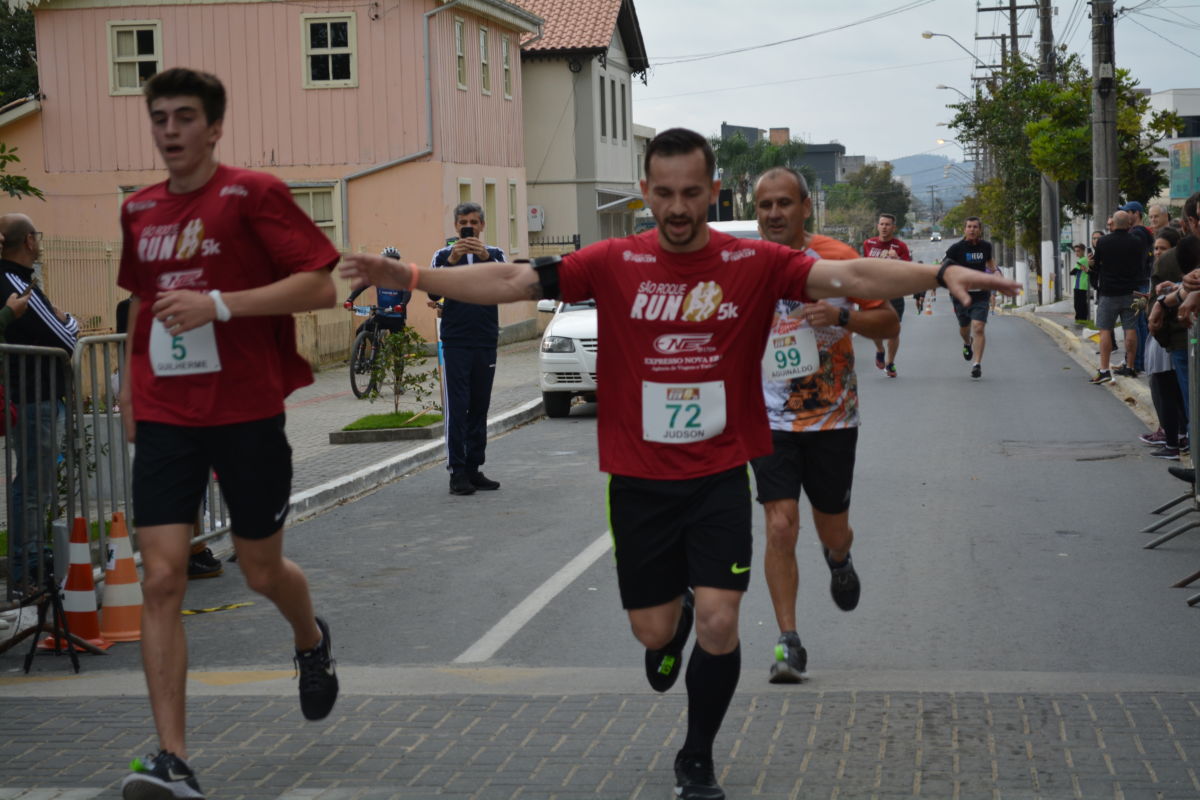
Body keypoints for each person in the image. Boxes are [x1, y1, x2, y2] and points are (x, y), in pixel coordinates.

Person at [341, 127, 1018, 800]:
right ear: (645, 192)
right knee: (654, 631)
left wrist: (937, 271)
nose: (677, 207)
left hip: (721, 471)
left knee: (724, 622)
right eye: (663, 193)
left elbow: (851, 276)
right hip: (639, 480)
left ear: (713, 192)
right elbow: (515, 277)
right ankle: (675, 618)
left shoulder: (750, 262)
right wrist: (409, 276)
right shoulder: (612, 260)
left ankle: (697, 756)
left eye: (692, 193)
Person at [116, 68, 340, 799]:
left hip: (245, 409)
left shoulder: (253, 194)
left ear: (214, 127)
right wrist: (128, 386)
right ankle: (171, 757)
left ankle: (310, 640)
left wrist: (218, 304)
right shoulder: (139, 209)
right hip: (167, 412)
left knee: (260, 570)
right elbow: (144, 308)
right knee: (162, 576)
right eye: (160, 117)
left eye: (185, 117)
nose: (171, 130)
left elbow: (319, 285)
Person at [751, 167, 898, 684]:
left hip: (834, 419)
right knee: (779, 525)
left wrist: (840, 319)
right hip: (768, 420)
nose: (774, 213)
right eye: (765, 204)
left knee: (832, 525)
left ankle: (839, 557)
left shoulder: (836, 258)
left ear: (805, 207)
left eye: (784, 203)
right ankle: (788, 642)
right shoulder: (744, 266)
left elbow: (888, 323)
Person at [0, 214, 80, 592]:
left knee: (36, 483)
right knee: (32, 485)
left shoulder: (15, 280)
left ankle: (30, 558)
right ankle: (26, 565)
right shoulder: (16, 283)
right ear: (29, 241)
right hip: (34, 397)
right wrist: (73, 321)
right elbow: (64, 337)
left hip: (33, 396)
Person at [427, 203, 506, 496]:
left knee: (480, 407)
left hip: (485, 340)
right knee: (458, 408)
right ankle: (457, 472)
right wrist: (451, 259)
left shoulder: (495, 255)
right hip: (456, 341)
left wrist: (484, 257)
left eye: (473, 222)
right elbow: (433, 291)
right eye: (462, 222)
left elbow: (505, 283)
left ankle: (474, 468)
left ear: (482, 226)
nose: (467, 227)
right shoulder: (442, 255)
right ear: (456, 226)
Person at [1090, 211, 1146, 384]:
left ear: (1113, 224)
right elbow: (1141, 266)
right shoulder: (1137, 242)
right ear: (1128, 224)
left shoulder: (1104, 242)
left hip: (1108, 293)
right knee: (1130, 329)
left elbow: (1097, 264)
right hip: (1131, 292)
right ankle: (1130, 366)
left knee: (1105, 330)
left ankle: (1105, 370)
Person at [1144, 228, 1186, 458]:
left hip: (1170, 339)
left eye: (1163, 248)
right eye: (1156, 248)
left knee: (1169, 391)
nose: (1158, 252)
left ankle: (1174, 441)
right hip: (1163, 339)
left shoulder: (1170, 268)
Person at [942, 217, 995, 379]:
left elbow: (991, 266)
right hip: (961, 295)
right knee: (964, 328)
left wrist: (996, 281)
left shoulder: (986, 247)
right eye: (969, 227)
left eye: (975, 227)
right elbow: (944, 268)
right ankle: (967, 343)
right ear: (964, 229)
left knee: (978, 327)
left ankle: (976, 364)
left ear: (980, 230)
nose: (972, 230)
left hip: (981, 295)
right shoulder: (955, 249)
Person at [861, 213, 911, 378]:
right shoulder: (868, 244)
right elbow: (863, 267)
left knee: (894, 331)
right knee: (875, 328)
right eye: (882, 224)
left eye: (888, 224)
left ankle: (890, 363)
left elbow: (909, 270)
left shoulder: (900, 246)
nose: (884, 227)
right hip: (874, 292)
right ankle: (880, 349)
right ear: (877, 226)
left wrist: (897, 260)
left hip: (894, 293)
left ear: (893, 227)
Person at [345, 246, 412, 332]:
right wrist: (350, 299)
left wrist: (402, 304)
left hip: (397, 316)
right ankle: (371, 342)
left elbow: (407, 292)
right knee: (360, 331)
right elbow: (362, 286)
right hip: (381, 314)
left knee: (397, 343)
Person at [1070, 243, 1091, 323]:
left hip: (1080, 285)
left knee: (1079, 305)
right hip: (1081, 285)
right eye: (1075, 251)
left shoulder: (1082, 260)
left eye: (1078, 251)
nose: (1076, 253)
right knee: (1080, 304)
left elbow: (1072, 272)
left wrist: (1072, 270)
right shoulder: (1084, 260)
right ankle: (1081, 319)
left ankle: (1080, 319)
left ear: (1083, 251)